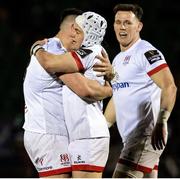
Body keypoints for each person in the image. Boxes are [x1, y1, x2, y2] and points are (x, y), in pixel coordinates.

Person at [23, 8, 112, 178]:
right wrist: (109, 90)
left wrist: (112, 76)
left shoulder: (53, 49)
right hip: (48, 132)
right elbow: (84, 89)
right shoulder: (55, 52)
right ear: (74, 29)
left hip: (58, 132)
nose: (84, 40)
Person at [103, 3, 177, 178]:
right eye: (118, 22)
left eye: (128, 22)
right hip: (131, 138)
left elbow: (170, 86)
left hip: (145, 134)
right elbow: (118, 96)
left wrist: (162, 121)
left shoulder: (146, 51)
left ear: (139, 26)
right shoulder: (117, 60)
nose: (122, 27)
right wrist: (102, 127)